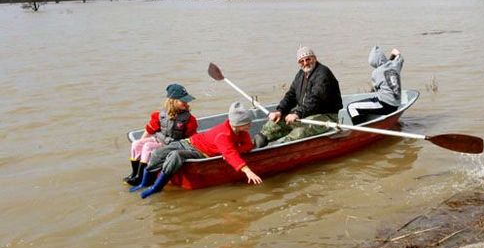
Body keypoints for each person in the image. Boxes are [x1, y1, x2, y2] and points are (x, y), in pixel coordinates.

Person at [130, 101, 262, 198]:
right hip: (189, 142)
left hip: (201, 153)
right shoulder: (224, 134)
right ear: (237, 124)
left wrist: (246, 169)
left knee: (176, 156)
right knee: (159, 153)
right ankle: (144, 183)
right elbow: (229, 152)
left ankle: (156, 187)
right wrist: (235, 157)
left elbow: (238, 150)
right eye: (247, 124)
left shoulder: (241, 132)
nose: (250, 126)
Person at [254, 46, 343, 147]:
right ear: (298, 63)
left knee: (299, 132)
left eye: (308, 59)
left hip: (327, 116)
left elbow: (315, 100)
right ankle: (257, 143)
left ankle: (278, 148)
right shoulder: (300, 74)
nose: (305, 63)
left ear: (314, 58)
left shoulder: (323, 74)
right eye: (301, 61)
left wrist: (297, 113)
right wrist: (280, 111)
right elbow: (291, 95)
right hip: (304, 114)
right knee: (272, 126)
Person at [123, 84, 198, 186]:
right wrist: (141, 142)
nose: (186, 103)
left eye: (186, 101)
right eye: (182, 101)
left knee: (148, 146)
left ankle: (143, 176)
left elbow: (192, 136)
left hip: (171, 144)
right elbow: (150, 130)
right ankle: (135, 174)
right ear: (173, 101)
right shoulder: (160, 115)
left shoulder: (189, 119)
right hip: (159, 139)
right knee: (136, 144)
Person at [346, 46, 404, 125]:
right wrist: (390, 60)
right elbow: (396, 51)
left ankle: (360, 129)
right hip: (396, 104)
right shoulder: (395, 65)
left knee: (351, 107)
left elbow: (376, 88)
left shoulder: (376, 72)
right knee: (367, 104)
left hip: (385, 105)